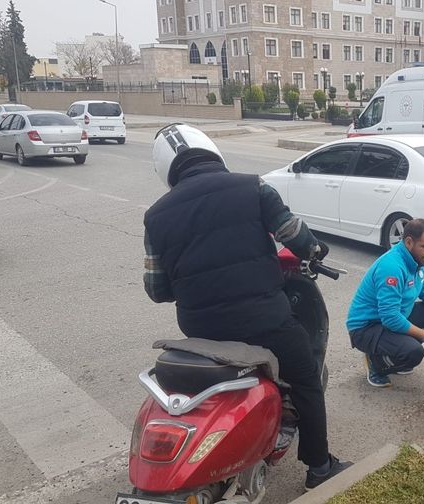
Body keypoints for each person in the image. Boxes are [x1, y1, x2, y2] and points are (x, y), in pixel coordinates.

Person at [143, 123, 351, 491]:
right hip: (265, 319)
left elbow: (157, 290)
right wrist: (316, 250)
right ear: (212, 153)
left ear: (166, 171)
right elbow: (293, 234)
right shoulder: (252, 186)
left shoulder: (155, 216)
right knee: (305, 376)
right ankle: (319, 466)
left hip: (200, 329)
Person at [346, 218, 424, 388]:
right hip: (367, 327)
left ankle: (395, 350)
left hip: (393, 316)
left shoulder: (418, 260)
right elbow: (390, 317)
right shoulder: (392, 267)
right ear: (409, 242)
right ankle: (376, 361)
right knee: (413, 353)